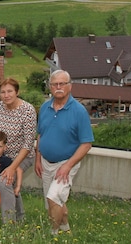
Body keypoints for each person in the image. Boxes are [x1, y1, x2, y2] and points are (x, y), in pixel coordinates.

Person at [35, 70, 94, 236]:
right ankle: (65, 228)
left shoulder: (79, 111)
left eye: (62, 83)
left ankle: (52, 234)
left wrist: (67, 166)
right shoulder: (45, 107)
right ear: (50, 86)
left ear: (69, 86)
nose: (58, 87)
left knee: (53, 198)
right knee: (53, 202)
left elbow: (86, 144)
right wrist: (38, 159)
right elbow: (41, 135)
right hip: (46, 162)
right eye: (55, 84)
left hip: (66, 163)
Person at [0, 77, 37, 224]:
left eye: (10, 91)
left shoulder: (28, 110)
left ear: (17, 92)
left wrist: (12, 168)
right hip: (1, 155)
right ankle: (20, 218)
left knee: (4, 182)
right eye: (3, 92)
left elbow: (28, 144)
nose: (6, 95)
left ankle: (9, 225)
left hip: (23, 156)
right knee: (7, 183)